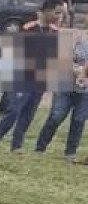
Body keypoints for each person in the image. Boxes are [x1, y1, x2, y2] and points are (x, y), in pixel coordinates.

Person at [0, 5, 59, 151]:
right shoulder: (29, 28)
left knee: (29, 113)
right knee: (14, 110)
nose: (58, 16)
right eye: (56, 12)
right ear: (46, 11)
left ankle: (16, 145)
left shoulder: (55, 31)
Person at [32, 11, 88, 159]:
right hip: (66, 85)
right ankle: (40, 147)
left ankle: (70, 152)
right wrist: (75, 69)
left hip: (85, 91)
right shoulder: (77, 37)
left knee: (79, 120)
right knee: (56, 117)